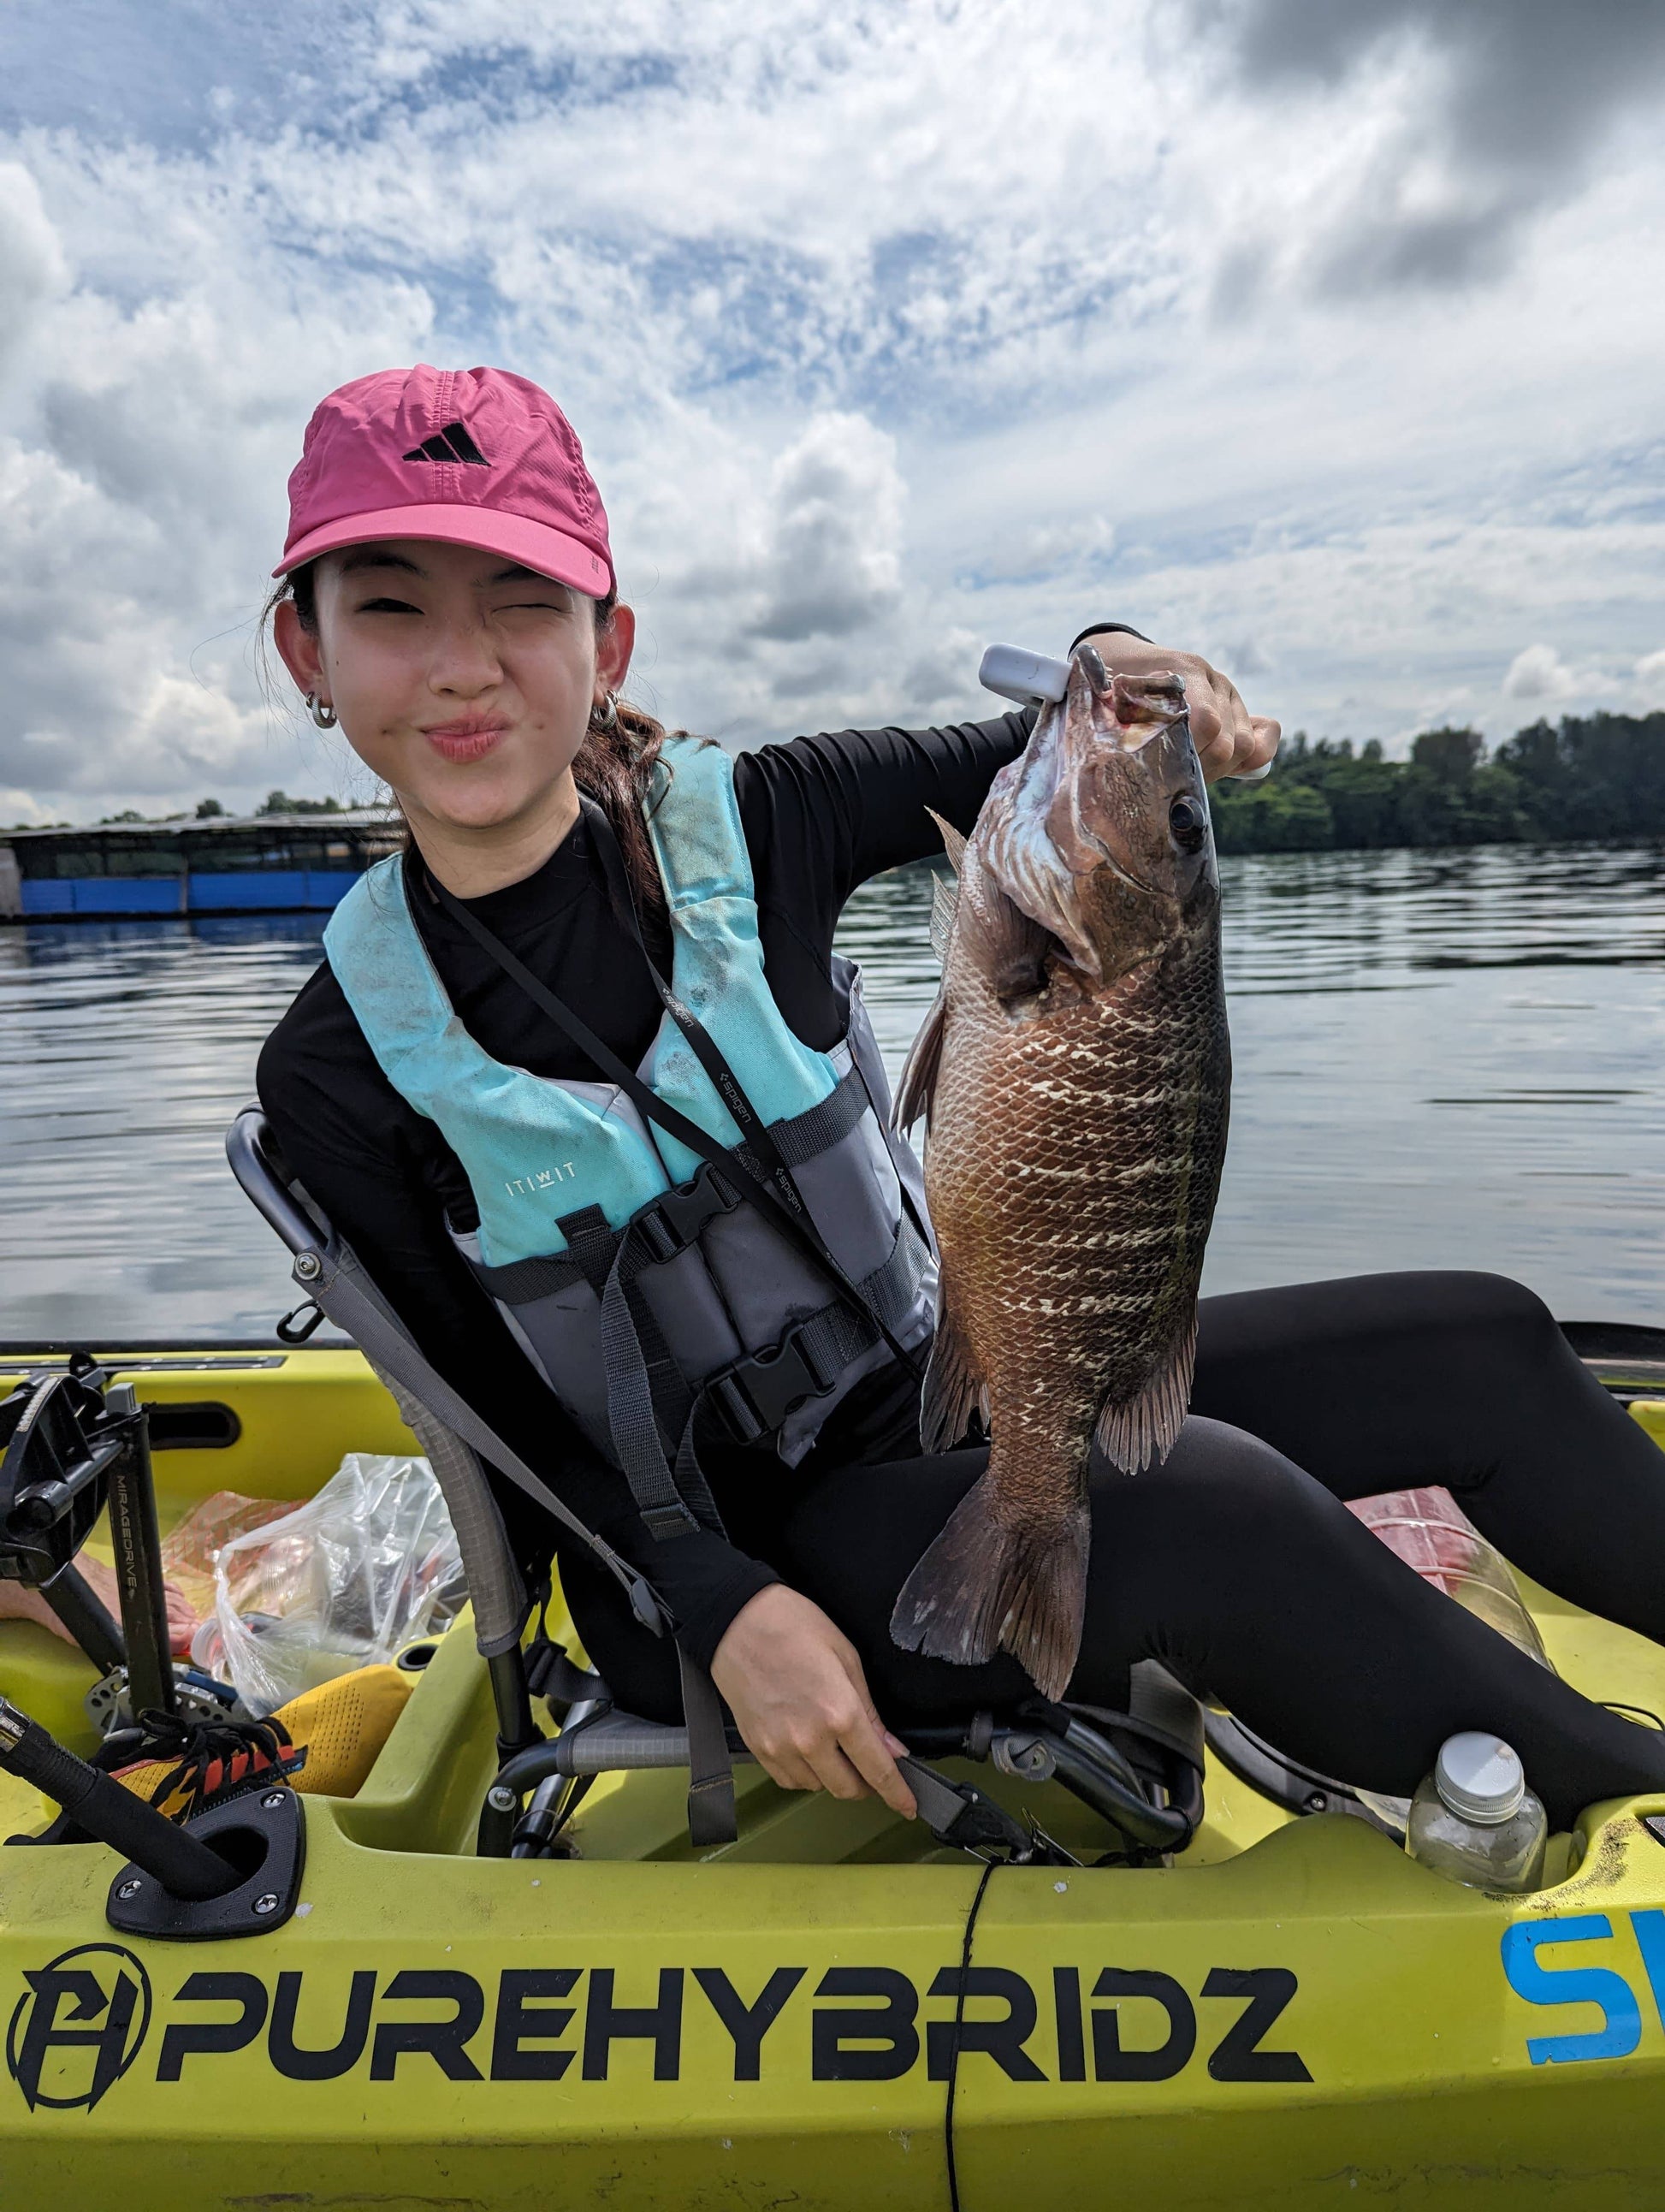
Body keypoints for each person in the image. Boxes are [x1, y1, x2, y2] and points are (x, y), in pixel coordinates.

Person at [258, 364, 1665, 1837]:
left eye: (523, 602)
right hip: (709, 1557)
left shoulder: (760, 818)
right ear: (309, 647)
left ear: (607, 640)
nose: (464, 664)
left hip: (949, 1381)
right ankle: (1626, 1806)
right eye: (394, 606)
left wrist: (1115, 653)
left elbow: (1060, 736)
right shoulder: (338, 1065)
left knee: (1486, 1341)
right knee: (1208, 1499)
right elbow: (501, 1434)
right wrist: (724, 1613)